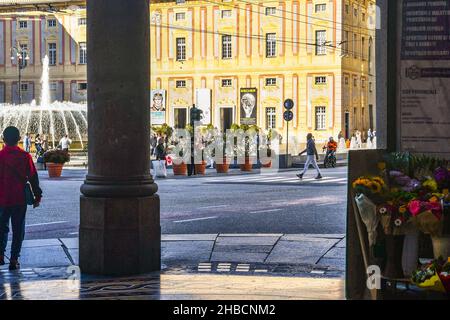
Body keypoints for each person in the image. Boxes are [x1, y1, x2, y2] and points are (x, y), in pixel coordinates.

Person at [0, 126, 42, 271]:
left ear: (3, 139)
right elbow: (33, 177)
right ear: (19, 139)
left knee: (1, 228)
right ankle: (14, 259)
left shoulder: (0, 156)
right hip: (19, 198)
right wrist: (37, 195)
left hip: (2, 198)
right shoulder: (25, 156)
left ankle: (0, 255)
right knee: (18, 229)